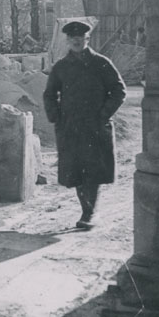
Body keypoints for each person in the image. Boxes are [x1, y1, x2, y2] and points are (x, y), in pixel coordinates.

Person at [42, 21, 126, 229]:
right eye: (72, 38)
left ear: (87, 39)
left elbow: (118, 91)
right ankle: (86, 209)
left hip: (95, 125)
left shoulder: (101, 63)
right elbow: (49, 94)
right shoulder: (61, 67)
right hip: (71, 126)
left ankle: (89, 212)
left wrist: (104, 115)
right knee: (75, 169)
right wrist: (56, 118)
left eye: (80, 38)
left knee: (94, 168)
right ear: (67, 40)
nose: (76, 41)